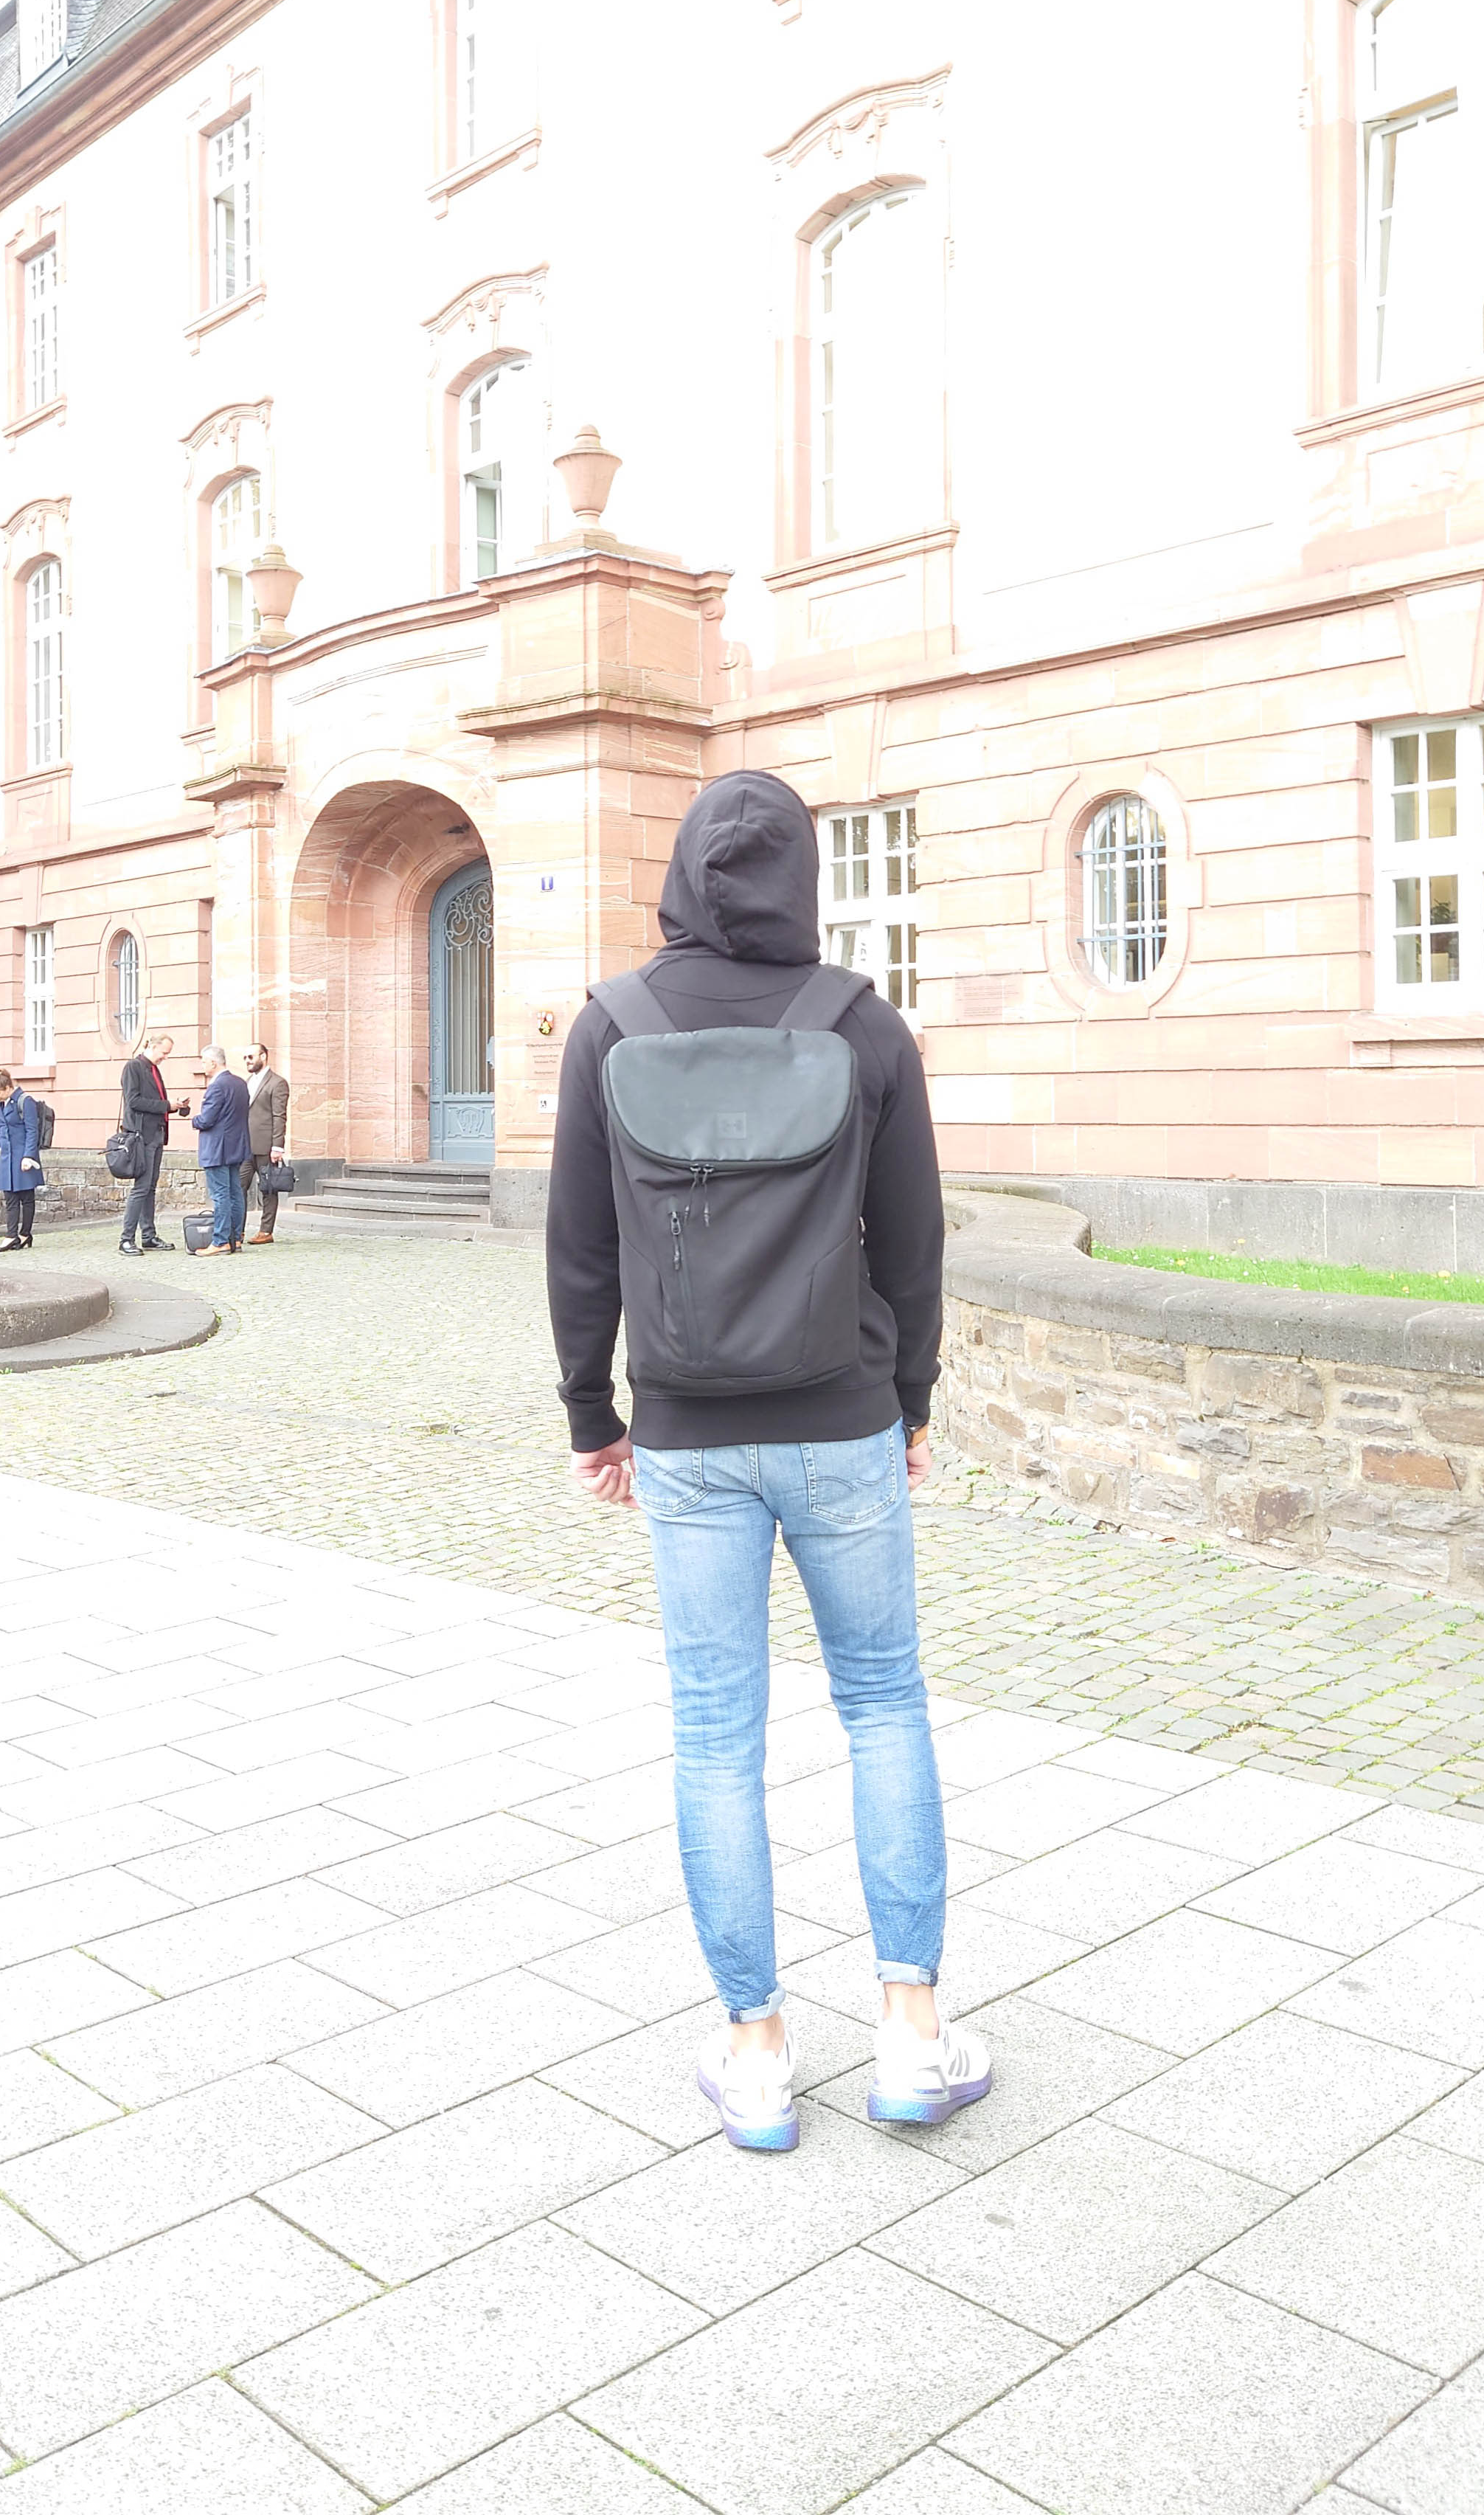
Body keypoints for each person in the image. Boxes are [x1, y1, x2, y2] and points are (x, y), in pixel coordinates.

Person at [546, 769, 985, 2152]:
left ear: (680, 875)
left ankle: (753, 2053)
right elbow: (912, 1242)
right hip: (842, 1415)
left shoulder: (611, 1025)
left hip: (687, 1432)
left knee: (715, 1734)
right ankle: (910, 2035)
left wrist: (591, 1416)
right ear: (804, 877)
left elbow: (578, 1247)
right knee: (884, 1703)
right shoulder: (863, 1026)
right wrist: (911, 1401)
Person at [117, 1031, 187, 1259]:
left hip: (156, 1135)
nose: (165, 1057)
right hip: (141, 1137)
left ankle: (148, 1236)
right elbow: (134, 1101)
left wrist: (174, 1106)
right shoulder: (134, 1067)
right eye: (164, 1052)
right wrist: (167, 1105)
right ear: (153, 1046)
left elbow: (153, 1103)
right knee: (141, 1188)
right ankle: (126, 1239)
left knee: (150, 1188)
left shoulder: (154, 1070)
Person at [190, 1045, 251, 1254]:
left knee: (221, 1195)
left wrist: (194, 1120)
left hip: (217, 1149)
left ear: (213, 1063)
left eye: (204, 1062)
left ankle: (220, 1241)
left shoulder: (217, 1086)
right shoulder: (240, 1083)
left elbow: (207, 1120)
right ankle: (236, 1238)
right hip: (236, 1146)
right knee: (235, 1193)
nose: (202, 1065)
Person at [0, 1068, 44, 1251]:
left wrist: (28, 1156)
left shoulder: (25, 1101)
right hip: (7, 1158)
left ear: (8, 1088)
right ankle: (11, 1235)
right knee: (10, 1198)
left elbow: (32, 1131)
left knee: (26, 1197)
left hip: (22, 1156)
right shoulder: (2, 1104)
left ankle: (25, 1234)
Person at [240, 1039, 291, 1245]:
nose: (247, 1061)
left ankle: (266, 1231)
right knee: (238, 1187)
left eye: (251, 1057)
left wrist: (277, 1146)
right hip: (245, 1146)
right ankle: (237, 1231)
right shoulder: (247, 1082)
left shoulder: (277, 1083)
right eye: (245, 1058)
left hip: (266, 1146)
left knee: (269, 1189)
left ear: (263, 1056)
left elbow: (280, 1116)